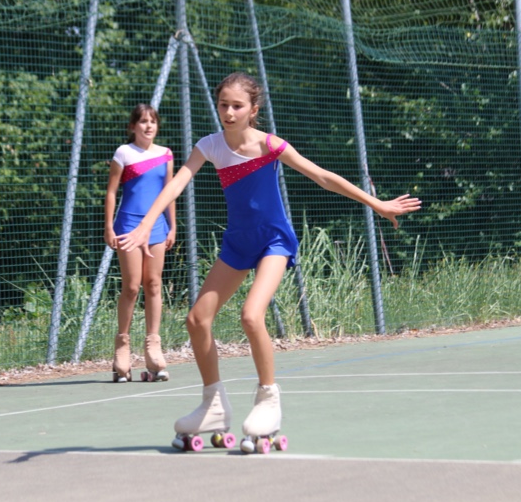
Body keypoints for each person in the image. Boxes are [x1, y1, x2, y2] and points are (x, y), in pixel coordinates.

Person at [118, 73, 421, 453]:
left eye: (237, 106)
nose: (229, 112)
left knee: (251, 315)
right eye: (223, 104)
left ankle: (268, 400)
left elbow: (322, 177)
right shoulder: (209, 146)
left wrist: (377, 204)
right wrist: (146, 225)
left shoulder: (269, 144)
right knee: (196, 320)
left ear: (253, 110)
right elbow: (175, 184)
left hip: (274, 240)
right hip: (238, 242)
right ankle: (213, 405)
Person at [104, 104, 177, 382]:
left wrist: (172, 226)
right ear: (132, 126)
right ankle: (122, 350)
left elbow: (169, 192)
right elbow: (112, 192)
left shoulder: (166, 154)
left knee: (154, 284)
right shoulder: (123, 153)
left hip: (157, 227)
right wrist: (109, 226)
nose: (148, 126)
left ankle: (153, 351)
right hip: (128, 227)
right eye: (143, 121)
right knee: (132, 287)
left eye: (152, 121)